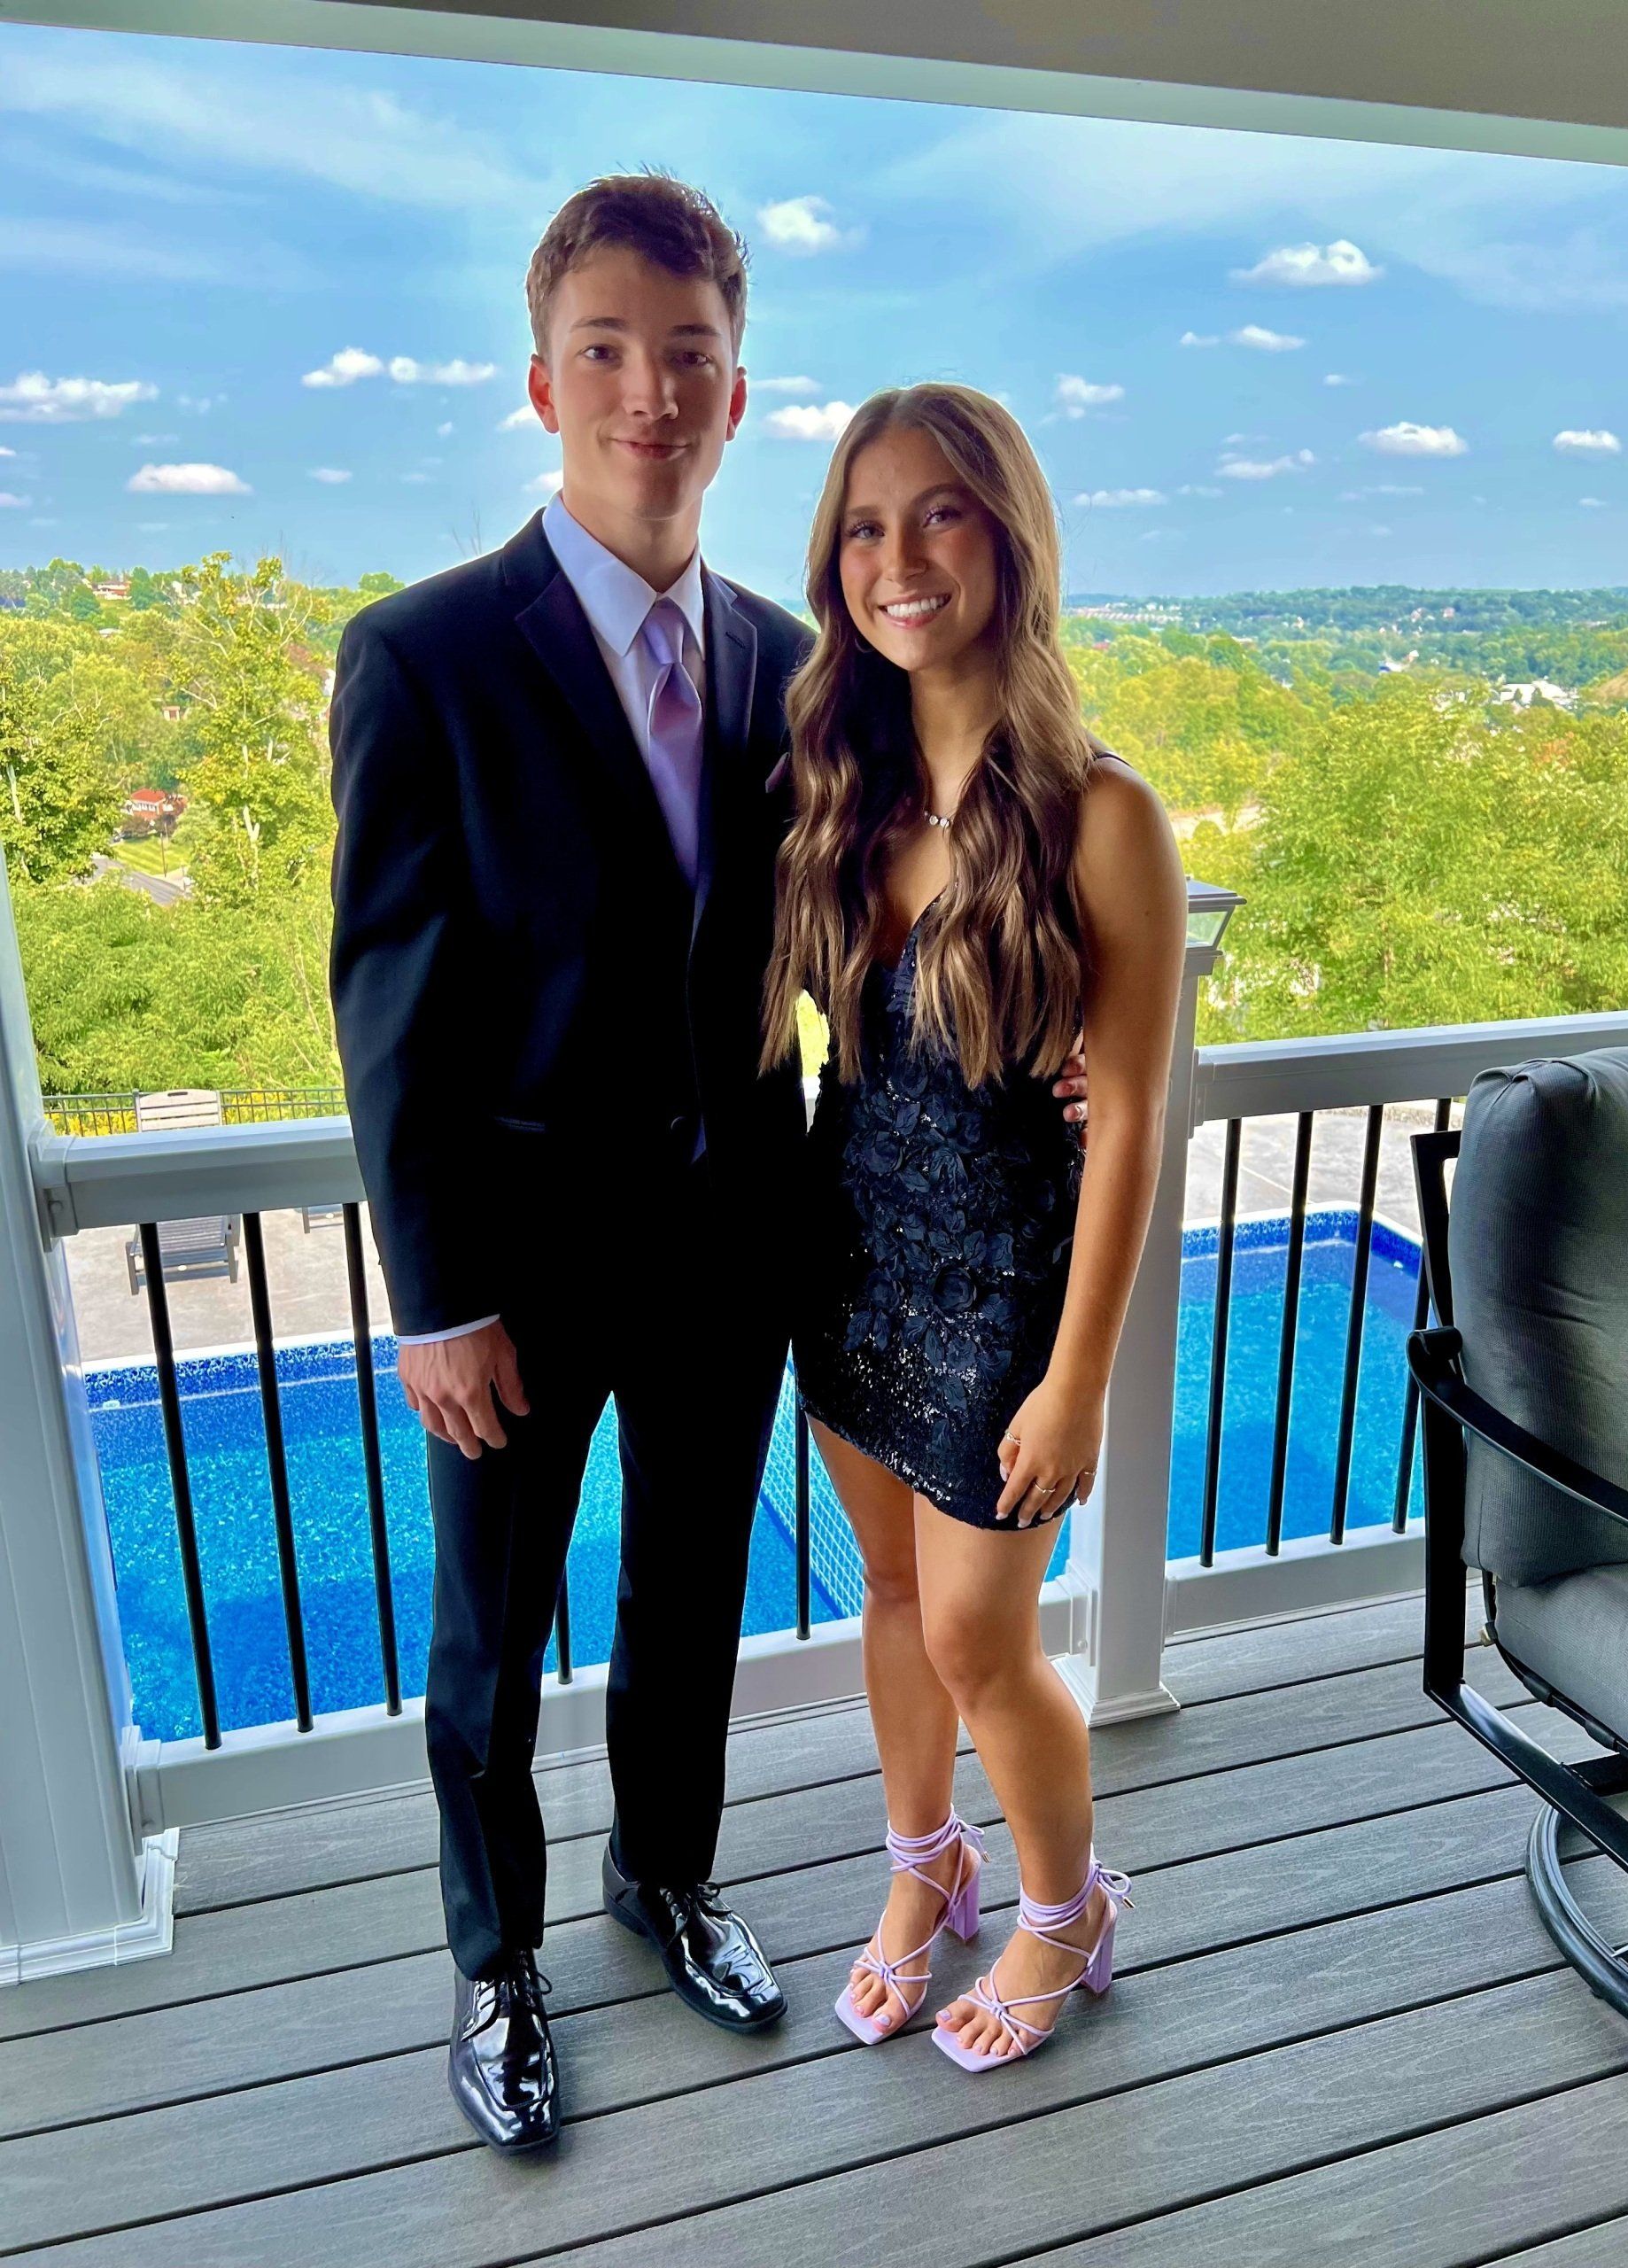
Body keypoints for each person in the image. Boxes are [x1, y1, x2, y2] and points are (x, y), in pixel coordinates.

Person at [327, 178, 1091, 2150]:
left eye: (688, 355)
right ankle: (497, 1968)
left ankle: (663, 1874)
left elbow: (917, 881)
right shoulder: (419, 660)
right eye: (607, 349)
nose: (648, 392)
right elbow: (387, 1005)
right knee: (489, 1637)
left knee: (686, 1597)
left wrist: (1073, 1030)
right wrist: (434, 1294)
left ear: (738, 394)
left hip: (736, 1254)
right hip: (515, 1265)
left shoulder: (795, 668)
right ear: (542, 380)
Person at [763, 384, 1188, 2070]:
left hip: (1009, 1286)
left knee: (977, 1634)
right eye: (864, 526)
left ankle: (1066, 1907)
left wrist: (1078, 1379)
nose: (898, 557)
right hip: (850, 1268)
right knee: (885, 1593)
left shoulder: (1104, 816)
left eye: (938, 512)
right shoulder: (834, 796)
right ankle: (920, 1874)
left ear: (1006, 533)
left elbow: (1136, 1108)